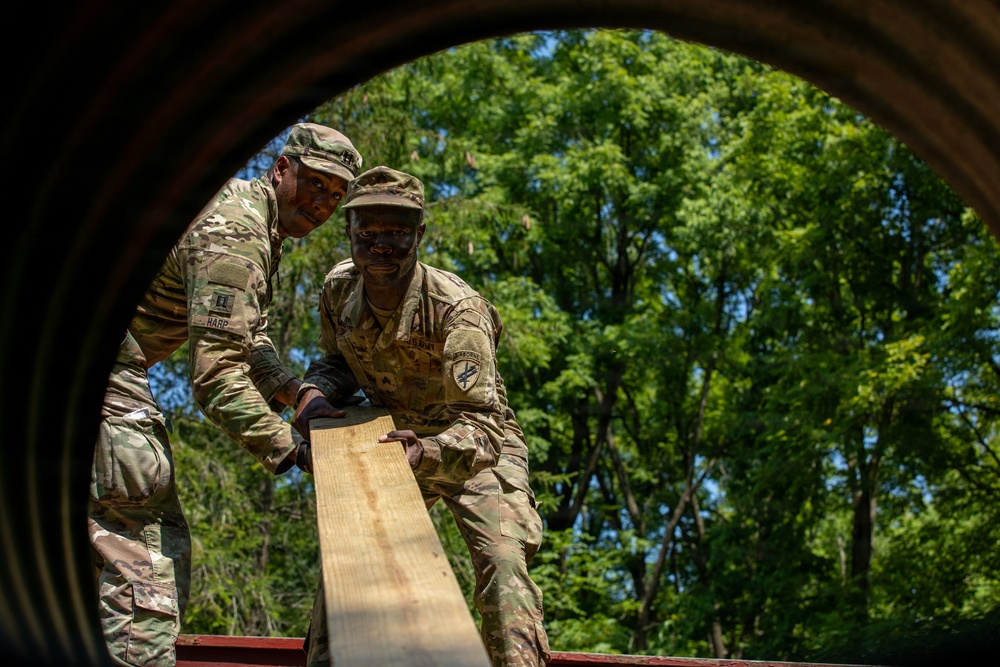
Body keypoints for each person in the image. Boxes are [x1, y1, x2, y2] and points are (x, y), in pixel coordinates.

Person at [88, 122, 362, 667]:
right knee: (143, 533)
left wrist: (296, 395)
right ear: (281, 169)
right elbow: (215, 376)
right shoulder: (236, 231)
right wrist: (293, 450)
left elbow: (247, 334)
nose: (323, 202)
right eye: (315, 183)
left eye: (336, 195)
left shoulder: (255, 221)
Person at [295, 166, 551, 667]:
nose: (381, 246)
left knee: (503, 564)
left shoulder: (458, 310)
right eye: (367, 234)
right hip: (391, 444)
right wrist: (313, 392)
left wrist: (429, 451)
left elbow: (483, 426)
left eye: (397, 233)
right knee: (346, 575)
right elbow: (336, 363)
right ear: (349, 233)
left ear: (420, 235)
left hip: (474, 450)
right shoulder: (337, 292)